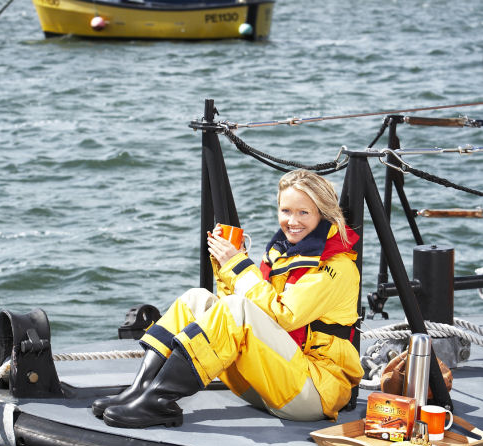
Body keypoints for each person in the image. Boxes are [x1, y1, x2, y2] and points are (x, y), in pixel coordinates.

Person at [93, 169, 363, 429]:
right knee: (196, 299)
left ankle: (158, 401)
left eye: (304, 212)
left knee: (236, 307)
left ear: (323, 214)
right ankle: (142, 390)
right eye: (286, 211)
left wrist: (238, 265)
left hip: (313, 394)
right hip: (271, 383)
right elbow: (231, 316)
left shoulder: (336, 267)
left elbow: (282, 317)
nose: (292, 221)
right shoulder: (286, 253)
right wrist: (226, 266)